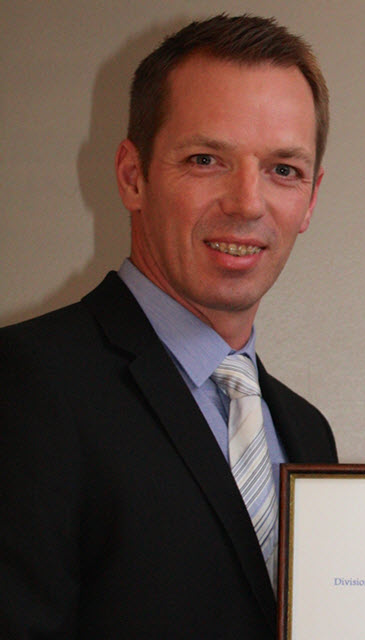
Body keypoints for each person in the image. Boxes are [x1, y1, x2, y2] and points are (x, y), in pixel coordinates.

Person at [0, 15, 337, 639]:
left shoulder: (308, 433)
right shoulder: (23, 386)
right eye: (206, 159)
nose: (246, 202)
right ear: (133, 176)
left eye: (283, 169)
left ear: (311, 199)